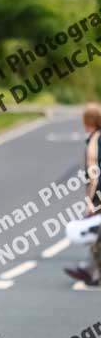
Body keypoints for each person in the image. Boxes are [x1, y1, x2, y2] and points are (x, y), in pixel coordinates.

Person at [65, 104, 101, 286]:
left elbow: (94, 171)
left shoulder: (95, 139)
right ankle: (89, 271)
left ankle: (88, 269)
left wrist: (91, 200)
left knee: (96, 233)